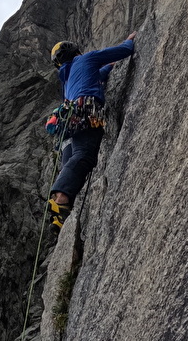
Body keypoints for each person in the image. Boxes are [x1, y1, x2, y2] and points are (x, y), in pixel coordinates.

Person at [46, 32, 137, 228]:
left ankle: (60, 213)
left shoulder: (68, 78)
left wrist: (107, 68)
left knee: (77, 156)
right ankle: (61, 196)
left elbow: (96, 75)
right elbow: (125, 50)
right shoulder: (87, 58)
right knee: (85, 155)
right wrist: (129, 39)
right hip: (87, 110)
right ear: (76, 50)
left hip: (72, 118)